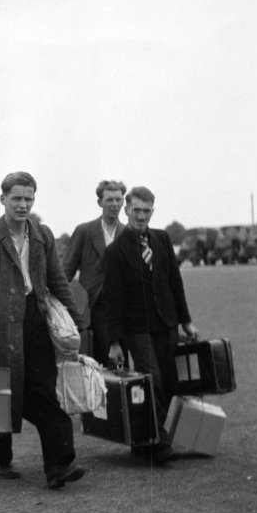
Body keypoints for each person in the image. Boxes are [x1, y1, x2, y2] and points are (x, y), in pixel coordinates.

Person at [0, 171, 87, 490]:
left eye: (28, 198)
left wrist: (77, 321)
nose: (22, 204)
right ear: (2, 198)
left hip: (35, 321)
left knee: (45, 390)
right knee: (1, 393)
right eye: (16, 198)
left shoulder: (42, 234)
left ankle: (58, 465)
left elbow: (58, 280)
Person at [102, 186, 200, 464]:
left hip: (167, 323)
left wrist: (186, 321)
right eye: (136, 210)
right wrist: (114, 342)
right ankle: (157, 443)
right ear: (126, 210)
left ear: (152, 212)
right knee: (151, 379)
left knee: (167, 381)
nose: (141, 216)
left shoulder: (162, 240)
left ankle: (144, 441)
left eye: (146, 211)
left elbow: (175, 283)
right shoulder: (115, 252)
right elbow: (112, 301)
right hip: (136, 328)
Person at [63, 180, 126, 365]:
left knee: (122, 363)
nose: (114, 205)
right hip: (94, 307)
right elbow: (66, 271)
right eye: (109, 200)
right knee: (98, 361)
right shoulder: (85, 231)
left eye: (118, 199)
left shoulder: (129, 233)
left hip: (123, 308)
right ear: (99, 202)